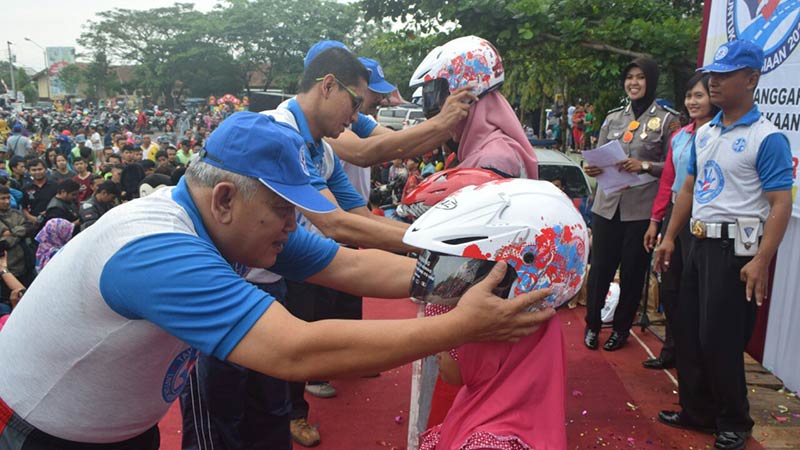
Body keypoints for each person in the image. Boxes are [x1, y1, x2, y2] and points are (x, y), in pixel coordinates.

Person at [0, 112, 553, 449]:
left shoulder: (242, 226)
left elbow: (350, 264)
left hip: (118, 427)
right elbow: (295, 350)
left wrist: (467, 277)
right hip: (38, 433)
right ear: (224, 199)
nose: (295, 224)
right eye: (286, 209)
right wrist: (461, 324)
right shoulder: (157, 249)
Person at [654, 40, 793, 450]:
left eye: (725, 74)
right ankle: (697, 410)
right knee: (689, 331)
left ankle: (734, 419)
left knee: (721, 338)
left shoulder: (767, 138)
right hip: (696, 243)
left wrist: (762, 259)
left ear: (751, 79)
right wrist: (669, 238)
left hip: (735, 251)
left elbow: (780, 203)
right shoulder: (705, 132)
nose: (714, 81)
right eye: (713, 73)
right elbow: (689, 188)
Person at [404, 179, 588, 450]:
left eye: (457, 330)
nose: (438, 348)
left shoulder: (486, 443)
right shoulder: (501, 406)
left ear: (499, 334)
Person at [582, 55, 680, 352]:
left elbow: (676, 166)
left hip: (640, 210)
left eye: (640, 77)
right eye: (629, 78)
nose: (633, 83)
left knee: (633, 271)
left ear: (650, 81)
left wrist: (646, 166)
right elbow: (599, 156)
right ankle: (593, 324)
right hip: (607, 204)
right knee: (599, 268)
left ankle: (622, 328)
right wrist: (592, 168)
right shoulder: (613, 118)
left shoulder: (667, 120)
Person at [641, 72, 719, 370]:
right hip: (676, 215)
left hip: (702, 218)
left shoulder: (716, 134)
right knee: (671, 287)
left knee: (693, 291)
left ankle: (693, 357)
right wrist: (655, 221)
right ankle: (672, 349)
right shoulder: (680, 136)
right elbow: (669, 182)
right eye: (689, 96)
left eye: (699, 95)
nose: (693, 101)